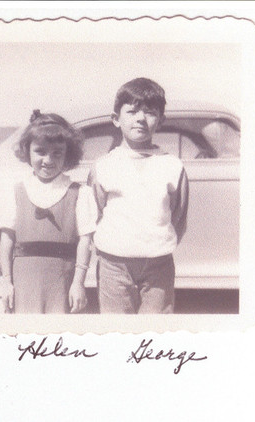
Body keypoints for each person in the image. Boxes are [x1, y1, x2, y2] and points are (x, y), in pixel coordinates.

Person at [88, 78, 189, 314]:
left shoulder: (173, 166)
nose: (140, 119)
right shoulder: (103, 165)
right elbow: (96, 212)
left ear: (161, 120)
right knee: (116, 330)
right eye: (132, 111)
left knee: (155, 331)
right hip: (113, 263)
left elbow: (178, 215)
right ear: (116, 119)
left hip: (158, 264)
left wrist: (155, 243)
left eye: (150, 112)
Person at [0, 110, 97, 314]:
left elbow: (85, 243)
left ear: (68, 154)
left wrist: (78, 283)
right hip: (24, 282)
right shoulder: (16, 191)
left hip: (62, 282)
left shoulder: (80, 193)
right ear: (27, 151)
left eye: (57, 153)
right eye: (40, 151)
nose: (48, 160)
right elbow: (6, 241)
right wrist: (6, 282)